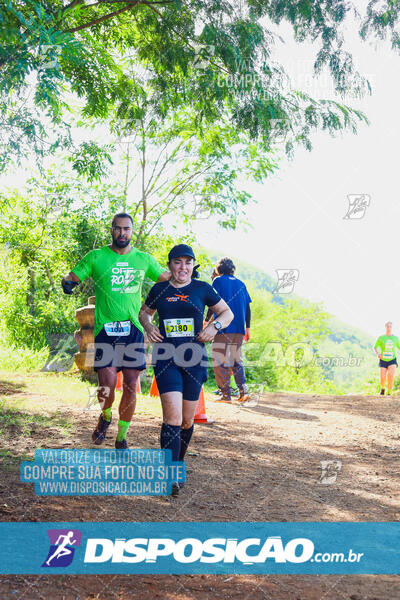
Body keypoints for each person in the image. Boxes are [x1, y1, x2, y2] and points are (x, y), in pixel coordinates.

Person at [61, 213, 170, 449]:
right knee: (107, 384)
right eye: (118, 229)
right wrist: (66, 281)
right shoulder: (97, 257)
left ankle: (122, 436)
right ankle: (106, 415)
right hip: (105, 331)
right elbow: (73, 275)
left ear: (132, 231)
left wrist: (187, 276)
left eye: (127, 229)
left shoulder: (143, 259)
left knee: (131, 384)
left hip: (133, 330)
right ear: (112, 230)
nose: (123, 233)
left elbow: (167, 278)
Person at [139, 244, 233, 496]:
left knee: (187, 420)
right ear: (170, 265)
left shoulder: (203, 289)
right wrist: (148, 327)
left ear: (193, 266)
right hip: (166, 357)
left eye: (188, 262)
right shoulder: (160, 289)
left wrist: (214, 328)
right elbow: (144, 314)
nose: (183, 267)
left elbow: (227, 312)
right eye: (178, 262)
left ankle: (178, 463)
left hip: (194, 359)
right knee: (172, 418)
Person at [207, 257, 252, 403]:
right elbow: (247, 308)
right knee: (236, 359)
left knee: (219, 359)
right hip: (239, 328)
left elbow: (212, 301)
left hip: (224, 326)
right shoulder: (241, 283)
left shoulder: (218, 281)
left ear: (218, 269)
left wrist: (206, 321)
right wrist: (248, 328)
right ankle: (243, 392)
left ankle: (225, 395)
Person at [374, 321, 400, 395]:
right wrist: (378, 353)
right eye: (388, 326)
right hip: (383, 360)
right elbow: (375, 347)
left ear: (392, 328)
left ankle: (389, 392)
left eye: (390, 326)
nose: (389, 328)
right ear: (385, 327)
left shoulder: (395, 338)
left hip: (392, 359)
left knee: (391, 375)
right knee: (382, 377)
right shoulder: (381, 338)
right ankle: (382, 389)